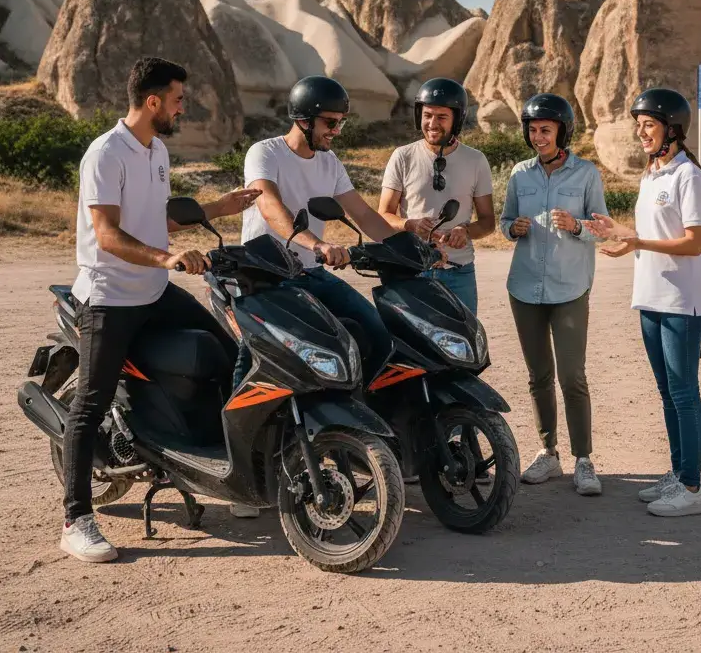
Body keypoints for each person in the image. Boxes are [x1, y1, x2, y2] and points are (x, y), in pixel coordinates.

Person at [61, 57, 262, 564]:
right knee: (89, 402)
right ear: (153, 101)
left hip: (152, 291)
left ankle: (231, 478)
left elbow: (158, 216)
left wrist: (218, 208)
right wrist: (166, 258)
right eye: (177, 98)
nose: (182, 106)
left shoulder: (156, 150)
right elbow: (106, 234)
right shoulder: (105, 154)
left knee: (229, 352)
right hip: (110, 296)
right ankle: (76, 518)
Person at [584, 88, 701, 517]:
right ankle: (678, 474)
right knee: (667, 392)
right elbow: (656, 237)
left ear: (672, 129)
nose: (641, 133)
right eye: (638, 125)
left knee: (684, 391)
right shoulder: (653, 176)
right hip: (651, 297)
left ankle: (692, 488)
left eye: (648, 125)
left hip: (681, 300)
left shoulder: (688, 177)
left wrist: (635, 239)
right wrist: (620, 235)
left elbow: (693, 243)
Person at [240, 74, 398, 394]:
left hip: (310, 273)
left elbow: (364, 213)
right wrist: (317, 243)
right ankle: (234, 433)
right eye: (329, 122)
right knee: (258, 356)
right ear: (303, 119)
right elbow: (270, 205)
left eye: (340, 123)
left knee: (377, 334)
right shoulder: (265, 153)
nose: (336, 131)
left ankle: (357, 416)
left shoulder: (330, 163)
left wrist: (406, 247)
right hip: (263, 275)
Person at [500, 93, 609, 497]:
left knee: (572, 376)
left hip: (569, 287)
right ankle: (549, 452)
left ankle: (584, 459)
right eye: (532, 130)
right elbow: (505, 220)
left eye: (545, 129)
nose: (538, 136)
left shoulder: (586, 174)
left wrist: (577, 225)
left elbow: (601, 225)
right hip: (524, 287)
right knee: (538, 377)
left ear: (562, 131)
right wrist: (513, 229)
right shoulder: (519, 174)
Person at [378, 78, 495, 314]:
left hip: (458, 271)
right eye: (427, 115)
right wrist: (409, 224)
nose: (432, 123)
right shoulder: (403, 156)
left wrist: (465, 231)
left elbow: (488, 222)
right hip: (411, 269)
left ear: (457, 120)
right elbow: (384, 214)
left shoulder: (476, 160)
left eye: (442, 117)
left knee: (466, 344)